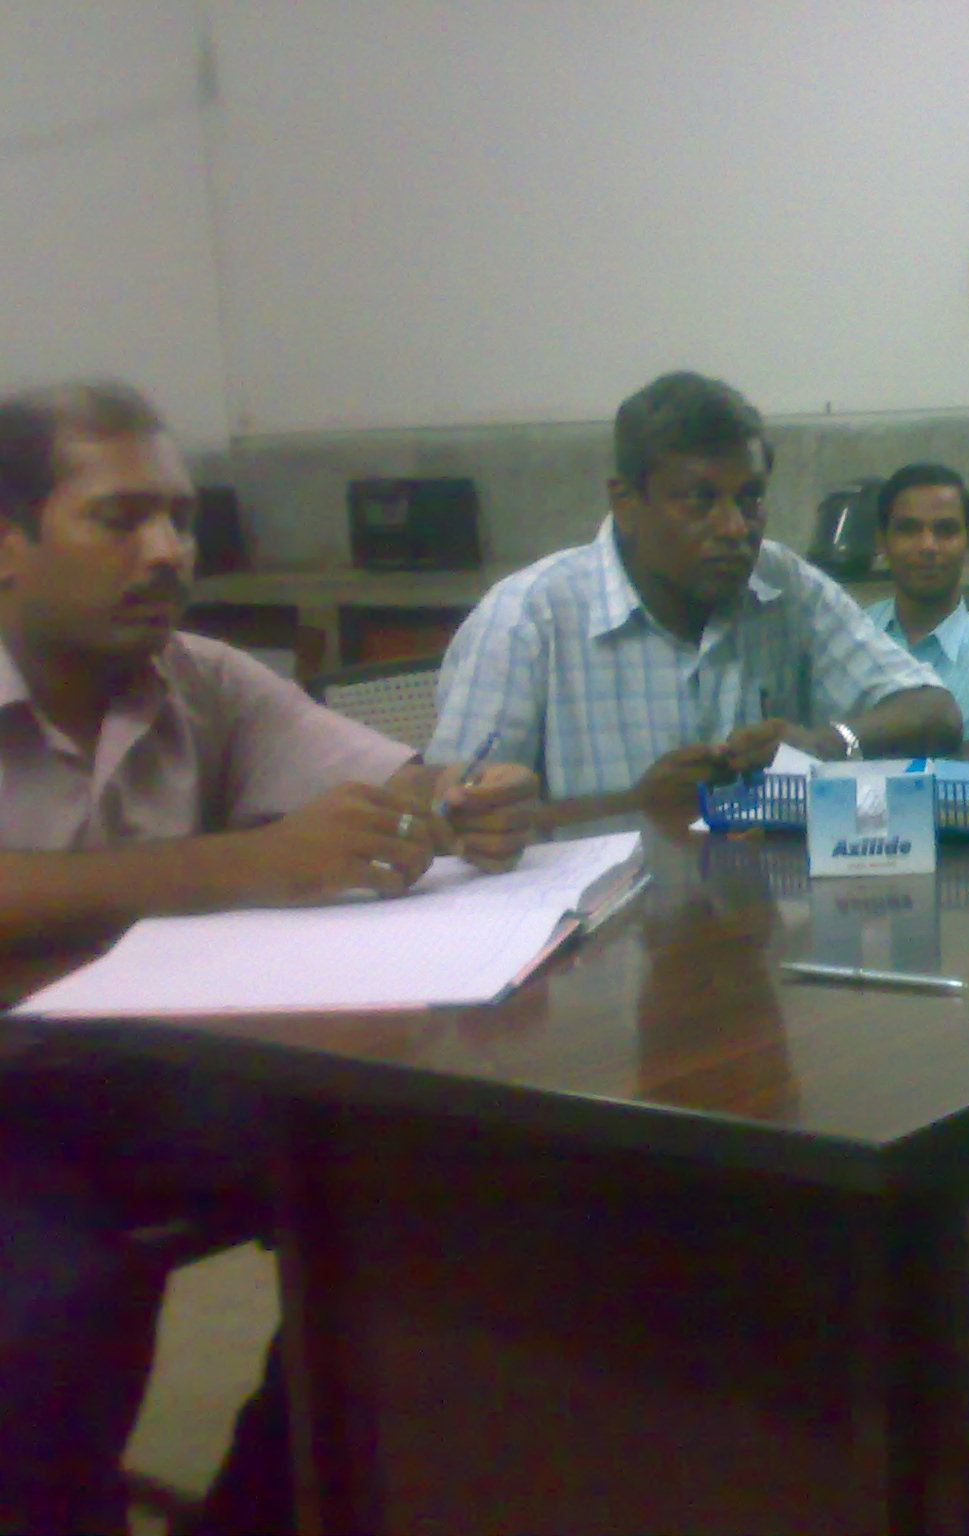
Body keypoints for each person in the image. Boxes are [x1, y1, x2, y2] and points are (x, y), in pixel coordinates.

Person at [0, 381, 539, 1532]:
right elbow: (249, 866)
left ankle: (258, 1512)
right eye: (120, 518)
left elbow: (384, 778)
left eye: (183, 519)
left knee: (417, 1198)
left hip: (139, 1073)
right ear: (6, 541)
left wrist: (469, 798)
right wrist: (238, 867)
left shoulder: (203, 677)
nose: (167, 551)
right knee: (53, 1311)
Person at [431, 372, 962, 823]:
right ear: (626, 503)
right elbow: (452, 819)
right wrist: (635, 807)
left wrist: (826, 744)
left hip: (763, 915)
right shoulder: (527, 617)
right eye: (698, 500)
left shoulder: (782, 583)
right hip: (593, 931)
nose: (734, 527)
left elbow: (934, 712)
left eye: (749, 497)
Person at [864, 462, 969, 738]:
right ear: (882, 542)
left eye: (945, 531)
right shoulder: (846, 641)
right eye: (909, 529)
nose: (928, 546)